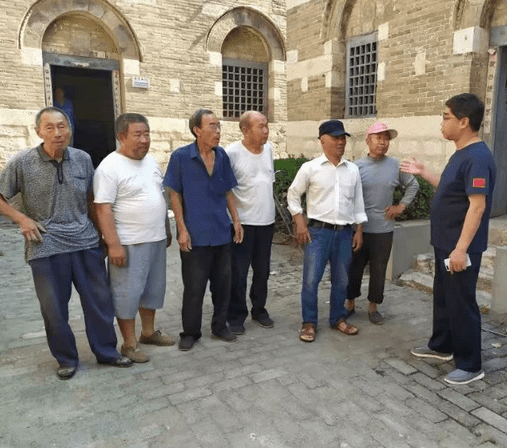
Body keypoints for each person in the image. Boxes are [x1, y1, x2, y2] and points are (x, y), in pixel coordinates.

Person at [0, 107, 132, 380]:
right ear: (38, 131)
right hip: (45, 245)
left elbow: (92, 200)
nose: (57, 133)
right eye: (49, 127)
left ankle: (106, 352)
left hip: (85, 242)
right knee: (54, 309)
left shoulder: (83, 159)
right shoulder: (22, 162)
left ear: (70, 129)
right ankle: (67, 359)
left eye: (62, 126)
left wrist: (105, 238)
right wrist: (22, 219)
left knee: (99, 303)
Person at [401, 93, 496, 385]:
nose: (441, 123)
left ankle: (471, 364)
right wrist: (423, 172)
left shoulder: (478, 157)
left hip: (459, 247)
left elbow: (477, 206)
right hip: (446, 243)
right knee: (444, 298)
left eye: (446, 117)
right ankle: (442, 345)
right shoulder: (461, 153)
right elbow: (451, 188)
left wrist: (461, 249)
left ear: (464, 122)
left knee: (461, 303)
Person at [93, 113, 175, 363]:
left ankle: (148, 333)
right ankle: (129, 344)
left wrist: (166, 229)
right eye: (137, 135)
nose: (144, 140)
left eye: (146, 134)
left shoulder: (151, 161)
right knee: (127, 293)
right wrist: (113, 244)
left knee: (152, 289)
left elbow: (160, 196)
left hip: (155, 239)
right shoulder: (109, 167)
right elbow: (102, 208)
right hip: (128, 243)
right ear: (121, 137)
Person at [164, 108, 244, 351]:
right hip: (195, 236)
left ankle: (220, 326)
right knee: (194, 288)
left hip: (221, 232)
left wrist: (236, 221)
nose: (218, 131)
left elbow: (228, 191)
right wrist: (181, 229)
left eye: (219, 126)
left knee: (223, 286)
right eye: (212, 126)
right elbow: (174, 195)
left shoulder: (222, 156)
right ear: (197, 130)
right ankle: (190, 332)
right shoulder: (181, 157)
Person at [287, 120, 367, 343]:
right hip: (318, 233)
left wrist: (359, 230)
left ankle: (338, 318)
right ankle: (309, 322)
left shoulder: (352, 170)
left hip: (344, 233)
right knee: (311, 280)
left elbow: (358, 203)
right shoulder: (310, 168)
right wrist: (299, 221)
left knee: (341, 280)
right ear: (322, 141)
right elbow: (293, 194)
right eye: (335, 138)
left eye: (343, 138)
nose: (341, 142)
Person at [346, 122, 419, 325]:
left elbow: (413, 185)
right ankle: (349, 303)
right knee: (354, 268)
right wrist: (354, 226)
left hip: (384, 228)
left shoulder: (395, 165)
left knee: (379, 269)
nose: (383, 142)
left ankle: (373, 307)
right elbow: (349, 197)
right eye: (379, 138)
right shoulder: (356, 167)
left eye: (386, 139)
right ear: (368, 140)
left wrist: (400, 206)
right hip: (358, 229)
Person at [226, 111, 276, 335]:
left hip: (266, 221)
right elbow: (226, 190)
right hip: (242, 224)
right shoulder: (232, 153)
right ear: (245, 130)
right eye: (261, 126)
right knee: (238, 272)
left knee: (262, 270)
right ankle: (236, 315)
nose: (266, 131)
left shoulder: (269, 150)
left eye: (266, 125)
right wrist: (235, 220)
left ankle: (259, 309)